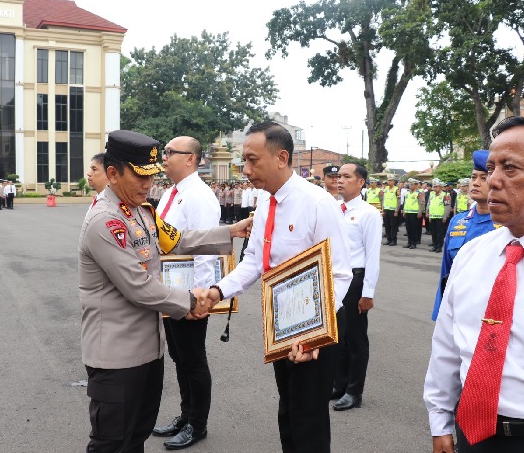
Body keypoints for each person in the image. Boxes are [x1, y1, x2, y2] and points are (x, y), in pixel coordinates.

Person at [79, 130, 250, 453]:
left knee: (136, 437)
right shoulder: (106, 222)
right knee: (112, 443)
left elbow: (177, 241)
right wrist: (192, 302)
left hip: (147, 351)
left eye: (151, 177)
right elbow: (138, 286)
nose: (147, 185)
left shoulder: (142, 212)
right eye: (140, 177)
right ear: (113, 174)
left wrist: (230, 231)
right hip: (117, 357)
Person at [199, 121, 353, 453]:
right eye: (244, 160)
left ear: (281, 157)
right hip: (280, 326)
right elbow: (254, 260)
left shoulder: (316, 203)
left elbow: (340, 275)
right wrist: (217, 291)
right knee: (288, 413)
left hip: (313, 333)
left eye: (253, 160)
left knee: (308, 421)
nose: (246, 168)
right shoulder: (267, 203)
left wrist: (314, 336)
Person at [423, 116, 524, 453]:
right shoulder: (473, 254)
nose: (493, 181)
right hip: (473, 434)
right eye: (491, 168)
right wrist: (440, 420)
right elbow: (447, 344)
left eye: (510, 168)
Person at [152, 136, 221, 450]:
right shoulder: (171, 193)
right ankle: (185, 415)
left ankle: (197, 424)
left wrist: (201, 295)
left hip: (191, 291)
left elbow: (206, 247)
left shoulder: (200, 196)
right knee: (179, 355)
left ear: (191, 158)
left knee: (193, 358)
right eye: (164, 152)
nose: (164, 157)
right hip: (170, 289)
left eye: (170, 152)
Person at [331, 163, 382, 412]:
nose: (340, 180)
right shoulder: (333, 209)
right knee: (338, 336)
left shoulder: (368, 214)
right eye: (338, 176)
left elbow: (373, 256)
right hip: (334, 279)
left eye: (346, 177)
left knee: (355, 339)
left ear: (361, 182)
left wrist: (367, 293)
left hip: (355, 279)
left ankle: (354, 391)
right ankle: (338, 385)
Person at [431, 151, 499, 321]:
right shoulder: (458, 222)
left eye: (484, 178)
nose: (475, 183)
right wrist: (441, 311)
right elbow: (446, 272)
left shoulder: (507, 224)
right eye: (473, 177)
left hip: (489, 314)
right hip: (456, 310)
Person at [425, 179, 451, 253]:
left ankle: (439, 247)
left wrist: (445, 217)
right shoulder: (432, 194)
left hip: (440, 217)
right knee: (433, 233)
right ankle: (434, 245)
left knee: (440, 233)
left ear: (440, 187)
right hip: (433, 216)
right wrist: (428, 213)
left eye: (436, 187)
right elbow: (429, 204)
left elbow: (447, 207)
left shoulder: (446, 195)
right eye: (434, 186)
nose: (434, 188)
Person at [402, 179, 424, 249]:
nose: (410, 186)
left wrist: (420, 212)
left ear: (416, 185)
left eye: (412, 184)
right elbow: (406, 202)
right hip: (408, 212)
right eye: (410, 184)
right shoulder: (407, 193)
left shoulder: (419, 193)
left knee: (414, 229)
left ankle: (414, 243)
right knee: (408, 229)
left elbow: (421, 203)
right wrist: (404, 211)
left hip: (414, 213)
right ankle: (409, 242)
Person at [382, 175, 400, 246]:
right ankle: (388, 239)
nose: (389, 182)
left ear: (394, 181)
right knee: (387, 225)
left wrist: (396, 211)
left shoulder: (397, 189)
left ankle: (393, 240)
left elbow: (398, 201)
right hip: (386, 209)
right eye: (388, 180)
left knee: (393, 226)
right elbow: (383, 199)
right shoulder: (385, 189)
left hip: (393, 210)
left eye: (390, 181)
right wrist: (383, 209)